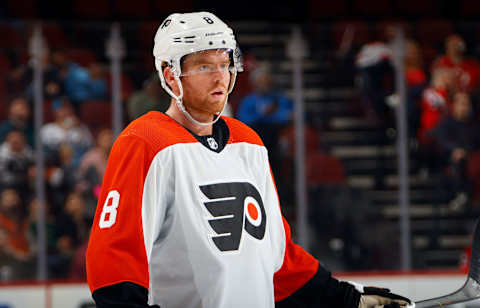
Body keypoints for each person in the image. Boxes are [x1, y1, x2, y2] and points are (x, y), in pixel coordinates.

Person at [86, 12, 412, 308]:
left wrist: (348, 300)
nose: (220, 77)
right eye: (203, 66)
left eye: (225, 63)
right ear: (171, 76)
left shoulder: (248, 142)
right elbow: (114, 262)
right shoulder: (145, 142)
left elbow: (279, 261)